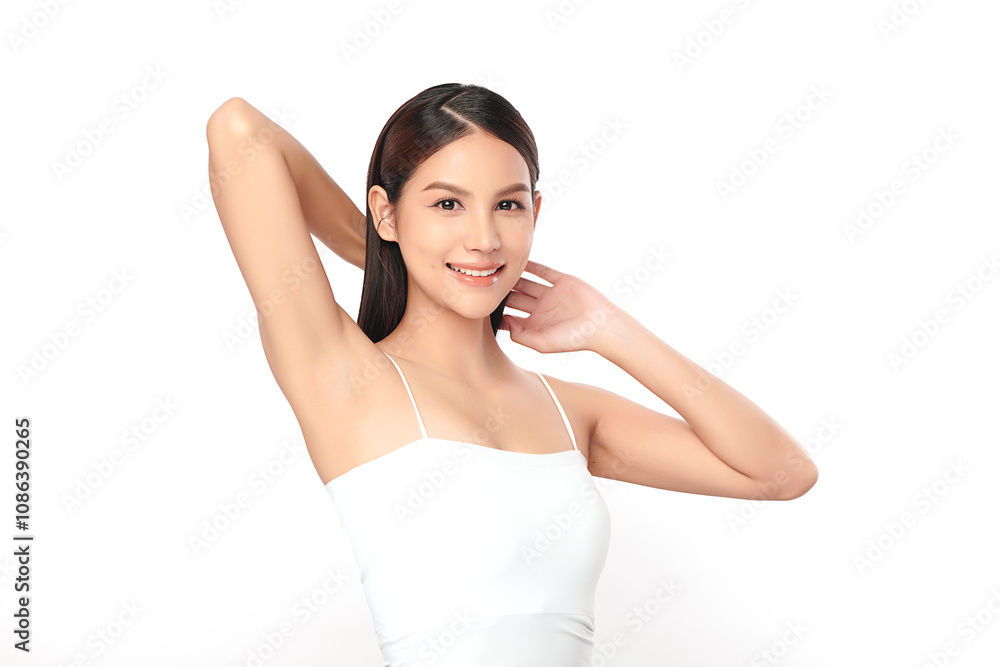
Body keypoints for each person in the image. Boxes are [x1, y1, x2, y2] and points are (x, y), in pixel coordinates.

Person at [205, 83, 818, 666]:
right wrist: (391, 254)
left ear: (535, 212)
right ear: (385, 213)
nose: (483, 237)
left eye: (507, 205)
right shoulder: (347, 381)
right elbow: (238, 130)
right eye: (447, 204)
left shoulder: (571, 413)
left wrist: (611, 330)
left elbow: (782, 473)